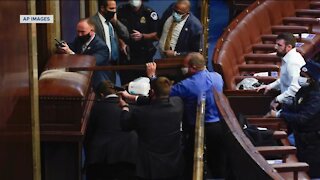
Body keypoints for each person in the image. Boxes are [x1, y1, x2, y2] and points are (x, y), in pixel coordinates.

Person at [120, 52, 225, 179]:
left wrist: (152, 77)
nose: (182, 67)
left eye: (184, 65)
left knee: (192, 164)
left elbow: (161, 95)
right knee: (217, 163)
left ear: (193, 67)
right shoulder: (217, 77)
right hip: (218, 127)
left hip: (196, 130)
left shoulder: (187, 86)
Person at [119, 77, 184, 180]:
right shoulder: (178, 104)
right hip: (173, 164)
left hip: (150, 168)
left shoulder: (141, 113)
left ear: (152, 92)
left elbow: (125, 125)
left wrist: (125, 108)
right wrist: (133, 97)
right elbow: (157, 101)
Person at [266, 61, 320, 178]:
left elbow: (302, 118)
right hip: (300, 137)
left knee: (312, 172)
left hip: (313, 141)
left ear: (312, 79)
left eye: (303, 76)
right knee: (302, 162)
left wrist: (279, 114)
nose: (300, 78)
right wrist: (281, 102)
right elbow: (295, 103)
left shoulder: (317, 96)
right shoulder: (304, 89)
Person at [84, 80, 137, 180]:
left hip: (103, 160)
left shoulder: (96, 108)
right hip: (130, 157)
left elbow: (89, 135)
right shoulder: (132, 106)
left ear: (101, 95)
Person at [56, 18, 110, 91]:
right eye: (78, 32)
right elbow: (72, 46)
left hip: (96, 85)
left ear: (92, 32)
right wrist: (63, 45)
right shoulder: (79, 40)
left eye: (82, 32)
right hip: (79, 80)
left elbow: (89, 63)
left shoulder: (101, 47)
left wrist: (70, 53)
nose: (79, 35)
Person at [257, 33, 306, 110]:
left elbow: (295, 88)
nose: (275, 47)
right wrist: (270, 86)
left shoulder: (293, 62)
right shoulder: (289, 56)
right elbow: (284, 79)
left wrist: (277, 100)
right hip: (288, 101)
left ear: (289, 47)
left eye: (279, 45)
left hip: (294, 106)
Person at [117, 0, 159, 84]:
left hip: (144, 55)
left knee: (144, 84)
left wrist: (143, 36)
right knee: (126, 83)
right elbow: (115, 30)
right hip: (127, 55)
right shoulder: (121, 10)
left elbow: (157, 35)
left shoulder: (149, 12)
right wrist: (121, 42)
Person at [90, 0, 130, 85]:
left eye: (115, 8)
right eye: (111, 8)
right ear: (102, 8)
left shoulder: (111, 22)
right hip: (101, 66)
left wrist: (116, 21)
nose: (114, 11)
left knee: (112, 91)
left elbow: (126, 34)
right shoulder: (93, 22)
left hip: (113, 65)